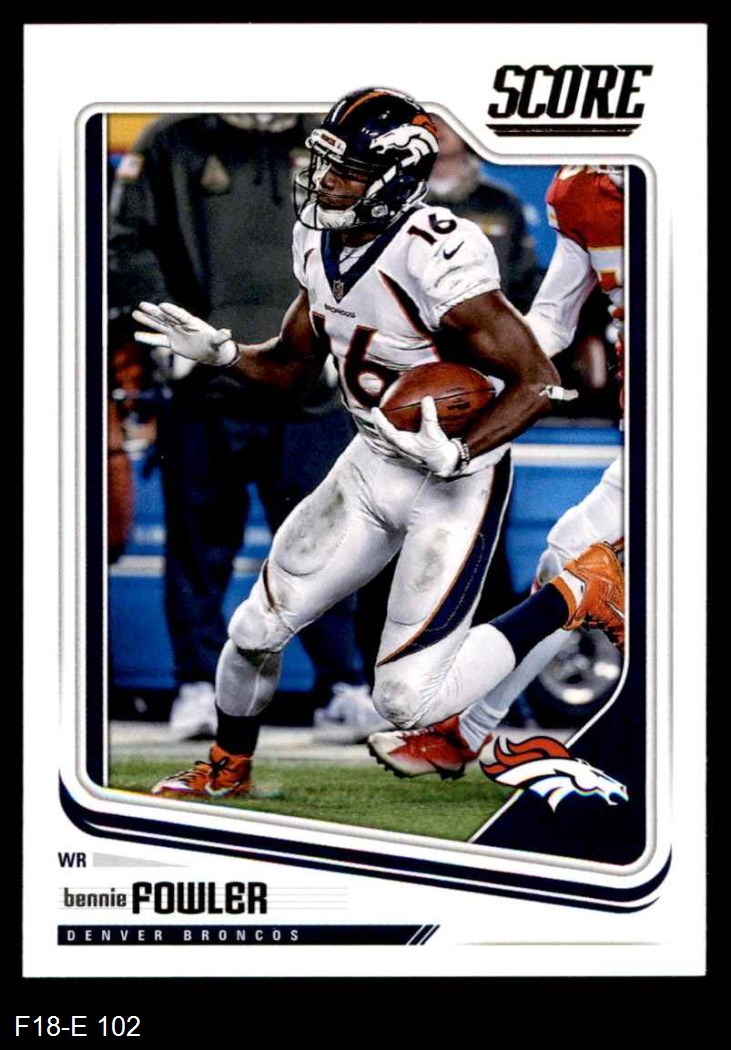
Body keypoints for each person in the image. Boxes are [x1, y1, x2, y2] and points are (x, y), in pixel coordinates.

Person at [132, 87, 617, 801]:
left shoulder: (436, 251)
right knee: (254, 628)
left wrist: (459, 451)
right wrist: (225, 353)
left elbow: (537, 380)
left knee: (405, 702)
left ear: (395, 176)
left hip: (452, 479)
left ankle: (577, 591)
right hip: (369, 460)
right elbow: (293, 364)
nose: (324, 181)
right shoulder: (318, 237)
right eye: (324, 162)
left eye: (347, 170)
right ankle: (227, 768)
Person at [108, 111, 372, 740]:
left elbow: (374, 245)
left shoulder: (334, 142)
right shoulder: (171, 140)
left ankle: (340, 687)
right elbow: (128, 243)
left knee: (327, 546)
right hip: (204, 383)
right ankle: (197, 686)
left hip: (311, 386)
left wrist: (348, 341)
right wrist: (165, 337)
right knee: (199, 547)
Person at [366, 164, 626, 779]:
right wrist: (482, 376)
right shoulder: (582, 189)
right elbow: (552, 320)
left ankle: (464, 731)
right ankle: (465, 730)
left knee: (580, 562)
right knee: (571, 562)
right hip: (652, 425)